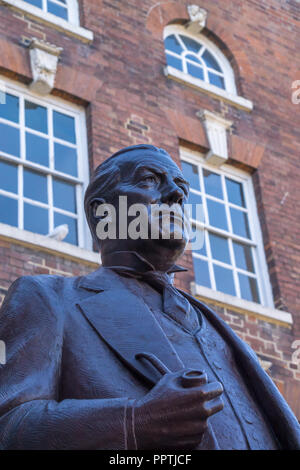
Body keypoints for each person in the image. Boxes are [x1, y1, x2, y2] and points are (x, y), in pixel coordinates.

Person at [0, 144, 299, 450]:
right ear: (101, 211)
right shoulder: (49, 299)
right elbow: (9, 427)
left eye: (182, 186)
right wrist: (135, 422)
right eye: (149, 181)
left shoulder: (214, 323)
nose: (176, 194)